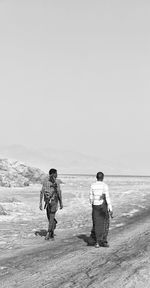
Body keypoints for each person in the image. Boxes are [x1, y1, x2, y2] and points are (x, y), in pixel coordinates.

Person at [89, 172, 113, 248]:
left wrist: (94, 203)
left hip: (95, 206)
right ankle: (103, 241)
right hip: (102, 206)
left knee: (96, 224)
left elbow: (90, 198)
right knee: (105, 223)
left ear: (96, 177)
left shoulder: (92, 185)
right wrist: (110, 209)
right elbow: (107, 197)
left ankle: (97, 242)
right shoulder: (104, 186)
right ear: (103, 177)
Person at [39, 168, 63, 240]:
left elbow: (41, 192)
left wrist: (40, 203)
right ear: (53, 174)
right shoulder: (56, 182)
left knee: (50, 217)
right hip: (53, 201)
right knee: (51, 217)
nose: (57, 174)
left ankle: (50, 232)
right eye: (56, 173)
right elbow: (59, 193)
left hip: (47, 202)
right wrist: (61, 202)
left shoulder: (45, 181)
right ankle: (50, 231)